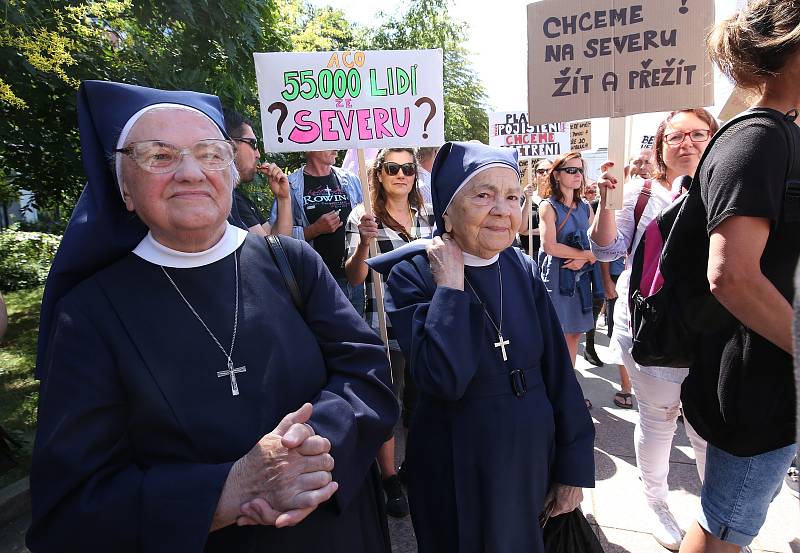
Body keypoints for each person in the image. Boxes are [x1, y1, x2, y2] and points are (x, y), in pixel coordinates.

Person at [27, 81, 399, 552]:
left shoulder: (292, 262)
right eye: (159, 156)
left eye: (210, 153)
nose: (191, 172)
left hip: (335, 530)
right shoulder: (89, 314)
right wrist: (225, 492)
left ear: (230, 170)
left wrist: (316, 445)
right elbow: (70, 507)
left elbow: (368, 375)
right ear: (123, 187)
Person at [369, 141, 595, 553]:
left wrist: (573, 467)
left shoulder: (521, 267)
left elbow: (559, 374)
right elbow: (443, 379)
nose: (502, 210)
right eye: (484, 195)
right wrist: (450, 289)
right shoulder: (412, 275)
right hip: (459, 461)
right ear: (448, 209)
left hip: (530, 456)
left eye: (512, 197)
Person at [677, 3, 800, 551]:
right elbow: (733, 277)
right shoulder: (759, 138)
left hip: (776, 372)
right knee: (727, 525)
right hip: (760, 379)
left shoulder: (780, 136)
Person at [590, 107, 719, 550]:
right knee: (660, 419)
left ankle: (714, 514)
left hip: (711, 330)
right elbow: (607, 247)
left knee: (706, 427)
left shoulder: (729, 188)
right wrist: (608, 201)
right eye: (675, 136)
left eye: (698, 134)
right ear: (660, 146)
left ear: (715, 138)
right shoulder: (639, 193)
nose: (687, 144)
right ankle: (657, 503)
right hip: (649, 328)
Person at [345, 147, 435, 518]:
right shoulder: (362, 215)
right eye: (393, 168)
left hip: (427, 320)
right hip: (384, 324)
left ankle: (415, 467)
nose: (402, 175)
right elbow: (354, 275)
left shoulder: (429, 213)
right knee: (389, 402)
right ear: (379, 173)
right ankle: (388, 477)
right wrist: (365, 241)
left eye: (408, 168)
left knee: (423, 400)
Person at [268, 149, 365, 316]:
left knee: (354, 339)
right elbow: (276, 240)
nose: (336, 147)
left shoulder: (351, 180)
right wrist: (314, 230)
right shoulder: (290, 185)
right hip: (313, 283)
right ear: (310, 146)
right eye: (328, 142)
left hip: (351, 283)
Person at [538, 152, 599, 372]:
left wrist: (585, 260)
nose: (578, 175)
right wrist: (587, 256)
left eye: (580, 170)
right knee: (561, 337)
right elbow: (550, 247)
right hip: (557, 275)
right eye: (571, 170)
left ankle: (570, 387)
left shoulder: (585, 206)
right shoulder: (548, 206)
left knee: (574, 335)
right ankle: (563, 391)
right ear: (556, 175)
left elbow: (597, 243)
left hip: (581, 277)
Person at [222, 109, 291, 237]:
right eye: (253, 144)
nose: (258, 154)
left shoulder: (240, 199)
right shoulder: (229, 201)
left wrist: (283, 197)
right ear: (230, 145)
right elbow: (271, 253)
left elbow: (278, 242)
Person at [518, 158, 551, 254]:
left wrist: (529, 232)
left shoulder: (559, 198)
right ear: (535, 177)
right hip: (529, 254)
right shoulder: (525, 197)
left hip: (553, 254)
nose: (545, 174)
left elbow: (559, 228)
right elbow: (520, 229)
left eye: (549, 171)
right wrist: (528, 200)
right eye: (541, 171)